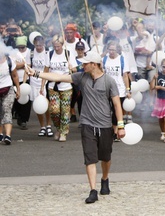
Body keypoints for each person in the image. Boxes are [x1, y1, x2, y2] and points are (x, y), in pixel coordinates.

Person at [25, 51, 125, 204]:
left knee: (105, 157)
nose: (82, 65)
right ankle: (93, 190)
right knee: (89, 158)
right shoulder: (81, 77)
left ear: (94, 64)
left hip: (104, 125)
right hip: (87, 124)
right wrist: (36, 74)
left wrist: (120, 125)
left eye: (85, 63)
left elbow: (117, 104)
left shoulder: (109, 81)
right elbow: (58, 77)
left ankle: (105, 179)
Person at [43, 35, 77, 142]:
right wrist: (42, 86)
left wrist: (72, 68)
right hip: (52, 86)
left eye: (58, 46)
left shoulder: (68, 54)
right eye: (54, 46)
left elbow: (75, 70)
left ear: (62, 45)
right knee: (54, 110)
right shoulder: (49, 54)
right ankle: (58, 128)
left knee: (65, 111)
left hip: (66, 86)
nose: (56, 48)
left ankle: (63, 132)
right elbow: (45, 72)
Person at [30, 35, 53, 137]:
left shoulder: (47, 53)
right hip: (34, 82)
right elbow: (29, 66)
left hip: (44, 81)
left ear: (43, 44)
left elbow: (47, 68)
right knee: (37, 104)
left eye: (40, 45)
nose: (38, 47)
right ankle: (42, 126)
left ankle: (48, 125)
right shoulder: (31, 53)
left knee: (46, 104)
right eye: (36, 45)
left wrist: (44, 82)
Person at [0, 53, 21, 145]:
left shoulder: (9, 61)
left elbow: (15, 75)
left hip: (8, 88)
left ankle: (8, 136)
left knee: (6, 110)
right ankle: (0, 134)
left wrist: (18, 89)